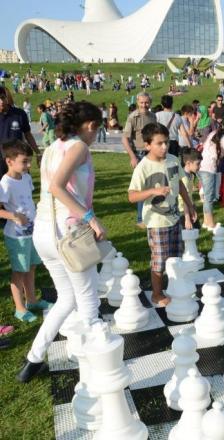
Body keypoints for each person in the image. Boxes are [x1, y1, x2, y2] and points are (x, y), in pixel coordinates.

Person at [17, 101, 107, 383]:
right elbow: (57, 187)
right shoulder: (79, 147)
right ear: (91, 126)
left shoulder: (54, 147)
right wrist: (91, 218)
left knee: (66, 298)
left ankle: (33, 358)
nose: (95, 136)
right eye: (97, 130)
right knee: (88, 299)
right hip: (67, 233)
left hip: (44, 232)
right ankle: (98, 368)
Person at [128, 123, 196, 307]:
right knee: (159, 260)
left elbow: (180, 184)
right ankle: (157, 294)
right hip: (156, 221)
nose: (164, 147)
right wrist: (152, 191)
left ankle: (174, 288)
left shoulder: (173, 159)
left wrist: (189, 205)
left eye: (166, 142)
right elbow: (132, 196)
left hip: (173, 217)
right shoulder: (143, 167)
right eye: (159, 143)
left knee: (175, 258)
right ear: (147, 145)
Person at [0, 140, 50, 323]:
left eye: (29, 161)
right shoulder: (5, 183)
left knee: (31, 267)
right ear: (9, 161)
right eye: (24, 162)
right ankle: (20, 308)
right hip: (17, 237)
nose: (28, 165)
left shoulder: (27, 177)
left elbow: (28, 200)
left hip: (32, 233)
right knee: (19, 272)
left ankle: (32, 301)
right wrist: (13, 215)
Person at [121, 92, 157, 228]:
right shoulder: (133, 117)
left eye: (146, 102)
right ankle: (141, 219)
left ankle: (152, 214)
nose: (144, 105)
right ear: (137, 102)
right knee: (141, 187)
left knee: (153, 184)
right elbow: (125, 138)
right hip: (139, 154)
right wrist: (132, 156)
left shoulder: (153, 116)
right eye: (142, 102)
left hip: (152, 154)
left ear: (150, 102)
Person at [0, 86, 40, 176]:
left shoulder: (20, 114)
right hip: (1, 161)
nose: (1, 101)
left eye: (2, 97)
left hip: (18, 159)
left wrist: (38, 153)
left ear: (6, 97)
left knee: (23, 188)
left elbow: (28, 135)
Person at [199, 122, 224, 229]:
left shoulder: (213, 133)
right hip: (208, 168)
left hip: (202, 166)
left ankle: (205, 222)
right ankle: (211, 224)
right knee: (209, 198)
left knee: (207, 196)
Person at [178, 148, 201, 229]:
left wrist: (193, 207)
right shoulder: (184, 178)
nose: (199, 166)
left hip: (189, 208)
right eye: (197, 164)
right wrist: (187, 219)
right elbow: (184, 199)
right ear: (188, 163)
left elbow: (190, 194)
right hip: (182, 211)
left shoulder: (191, 175)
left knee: (196, 229)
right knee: (187, 236)